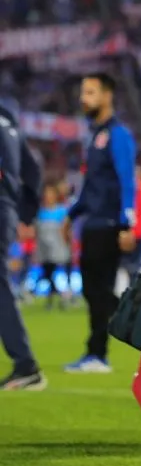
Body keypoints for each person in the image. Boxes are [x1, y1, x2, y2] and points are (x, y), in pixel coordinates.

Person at [64, 73, 138, 373]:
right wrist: (72, 215)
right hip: (92, 223)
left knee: (99, 290)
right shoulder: (94, 136)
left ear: (107, 96)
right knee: (92, 290)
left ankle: (99, 353)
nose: (84, 98)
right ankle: (98, 349)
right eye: (83, 92)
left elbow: (127, 181)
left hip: (109, 224)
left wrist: (127, 224)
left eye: (91, 92)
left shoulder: (118, 135)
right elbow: (90, 186)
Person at [0, 99, 45, 390]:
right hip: (6, 207)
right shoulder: (8, 118)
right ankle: (25, 363)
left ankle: (25, 364)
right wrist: (26, 214)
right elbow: (33, 171)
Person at [35, 182, 72, 309]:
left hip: (58, 247)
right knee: (48, 273)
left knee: (58, 272)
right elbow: (37, 231)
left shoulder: (62, 211)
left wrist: (69, 244)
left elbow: (67, 229)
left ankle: (62, 295)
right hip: (44, 248)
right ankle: (56, 295)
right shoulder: (40, 212)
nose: (48, 196)